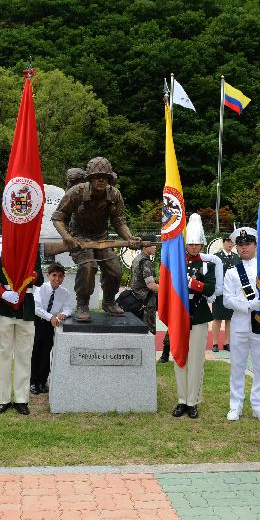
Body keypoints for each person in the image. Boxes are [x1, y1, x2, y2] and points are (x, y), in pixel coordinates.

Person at [51, 157, 140, 322]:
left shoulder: (114, 194)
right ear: (90, 178)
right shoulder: (76, 192)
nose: (101, 180)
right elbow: (58, 217)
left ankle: (108, 301)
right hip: (78, 238)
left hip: (101, 238)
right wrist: (68, 238)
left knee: (115, 270)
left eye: (105, 177)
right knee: (88, 267)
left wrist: (130, 237)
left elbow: (119, 221)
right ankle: (83, 303)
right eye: (97, 177)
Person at [223, 227, 260, 423]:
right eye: (240, 245)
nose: (244, 248)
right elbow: (227, 300)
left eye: (248, 244)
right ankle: (235, 406)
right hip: (240, 324)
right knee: (237, 366)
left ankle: (259, 407)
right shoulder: (232, 272)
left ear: (255, 245)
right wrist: (248, 305)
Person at [171, 214, 217, 419]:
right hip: (179, 316)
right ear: (185, 244)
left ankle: (193, 401)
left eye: (198, 243)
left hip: (198, 316)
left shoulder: (208, 265)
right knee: (180, 358)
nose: (194, 247)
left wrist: (193, 284)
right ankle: (182, 400)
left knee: (196, 360)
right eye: (191, 243)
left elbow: (210, 289)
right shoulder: (177, 263)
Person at [0, 241, 43, 415]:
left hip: (26, 307)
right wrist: (1, 292)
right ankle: (3, 399)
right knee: (3, 354)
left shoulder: (30, 247)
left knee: (24, 355)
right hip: (4, 305)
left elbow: (40, 279)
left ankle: (21, 399)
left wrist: (30, 276)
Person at [30, 262, 72, 394]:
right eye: (54, 275)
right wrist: (51, 317)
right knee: (35, 352)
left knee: (46, 352)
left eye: (60, 276)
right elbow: (36, 308)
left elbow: (68, 307)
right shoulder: (40, 288)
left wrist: (63, 314)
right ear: (48, 275)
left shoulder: (64, 292)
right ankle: (33, 382)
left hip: (50, 325)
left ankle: (42, 381)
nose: (57, 279)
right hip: (38, 322)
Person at [211, 235, 239, 353]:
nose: (229, 244)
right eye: (227, 241)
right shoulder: (217, 257)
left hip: (231, 292)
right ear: (223, 242)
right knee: (217, 318)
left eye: (231, 242)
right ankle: (215, 343)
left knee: (229, 319)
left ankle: (227, 342)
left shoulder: (236, 257)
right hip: (219, 292)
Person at [129, 235, 160, 335]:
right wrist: (168, 291)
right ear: (146, 246)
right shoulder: (145, 262)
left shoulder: (137, 259)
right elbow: (151, 285)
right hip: (146, 303)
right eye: (153, 245)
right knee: (148, 334)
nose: (155, 247)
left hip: (136, 300)